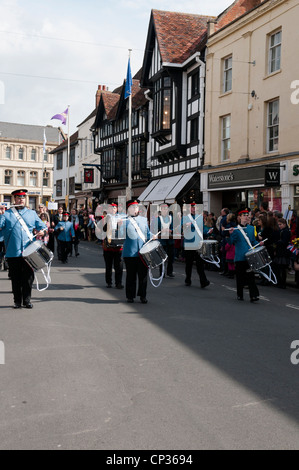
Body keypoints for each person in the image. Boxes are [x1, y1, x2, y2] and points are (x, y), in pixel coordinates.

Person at [0, 189, 47, 308]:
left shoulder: (32, 213)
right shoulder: (7, 214)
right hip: (12, 252)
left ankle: (27, 300)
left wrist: (42, 231)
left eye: (23, 197)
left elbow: (42, 226)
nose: (21, 199)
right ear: (14, 199)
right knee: (15, 278)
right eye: (18, 197)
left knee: (28, 278)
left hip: (29, 252)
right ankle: (17, 301)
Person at [122, 199, 151, 304]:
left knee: (143, 276)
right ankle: (130, 296)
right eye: (132, 207)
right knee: (131, 276)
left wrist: (154, 236)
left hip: (143, 252)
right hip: (130, 253)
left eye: (136, 207)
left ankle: (143, 295)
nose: (135, 209)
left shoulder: (143, 220)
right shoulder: (124, 221)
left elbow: (148, 234)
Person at [228, 209, 260, 302]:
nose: (246, 217)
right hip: (240, 257)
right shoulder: (236, 229)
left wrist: (259, 243)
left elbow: (253, 241)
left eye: (247, 215)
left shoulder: (251, 228)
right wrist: (231, 234)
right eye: (244, 215)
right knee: (240, 277)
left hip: (250, 256)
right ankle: (240, 294)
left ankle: (253, 295)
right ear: (240, 217)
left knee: (250, 276)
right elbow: (231, 242)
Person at [181, 203, 210, 288]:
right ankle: (188, 279)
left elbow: (202, 229)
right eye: (192, 208)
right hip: (189, 242)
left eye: (195, 208)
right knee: (189, 263)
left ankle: (203, 281)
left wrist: (207, 231)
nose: (194, 209)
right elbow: (185, 227)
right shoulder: (186, 217)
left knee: (200, 263)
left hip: (198, 242)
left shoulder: (200, 217)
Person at [102, 203, 124, 289]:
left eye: (114, 208)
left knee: (119, 266)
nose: (113, 210)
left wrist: (120, 224)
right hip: (108, 247)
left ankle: (118, 282)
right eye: (111, 208)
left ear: (117, 209)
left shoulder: (121, 218)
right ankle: (109, 282)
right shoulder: (105, 218)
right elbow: (103, 230)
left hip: (118, 246)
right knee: (108, 266)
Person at [156, 203, 175, 278]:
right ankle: (162, 272)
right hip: (162, 240)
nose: (165, 210)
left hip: (170, 240)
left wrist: (171, 230)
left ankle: (169, 272)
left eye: (166, 209)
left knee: (171, 257)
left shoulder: (171, 218)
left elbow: (174, 227)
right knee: (162, 258)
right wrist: (161, 230)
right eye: (163, 209)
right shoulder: (158, 219)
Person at [272, 218, 291, 289]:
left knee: (282, 268)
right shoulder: (282, 231)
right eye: (278, 224)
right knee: (279, 268)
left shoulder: (285, 231)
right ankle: (280, 282)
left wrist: (277, 242)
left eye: (280, 224)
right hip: (280, 251)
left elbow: (284, 242)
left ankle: (282, 283)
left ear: (284, 224)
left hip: (283, 252)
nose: (279, 226)